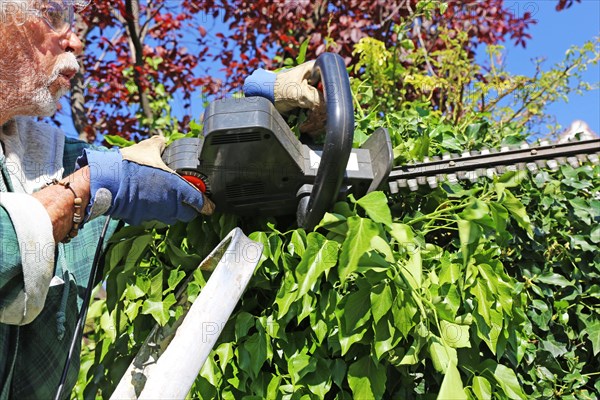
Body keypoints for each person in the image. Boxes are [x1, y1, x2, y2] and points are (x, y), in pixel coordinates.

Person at [0, 0, 323, 398]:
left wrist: (256, 114)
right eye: (52, 15)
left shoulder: (38, 153)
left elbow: (154, 165)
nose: (75, 40)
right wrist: (74, 194)